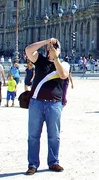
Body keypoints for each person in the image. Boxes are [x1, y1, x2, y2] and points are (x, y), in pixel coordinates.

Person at [24, 38, 70, 175]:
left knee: (54, 135)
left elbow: (63, 75)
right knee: (33, 136)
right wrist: (46, 42)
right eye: (52, 47)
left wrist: (55, 57)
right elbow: (28, 50)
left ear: (60, 50)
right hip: (36, 103)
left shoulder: (64, 64)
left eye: (56, 47)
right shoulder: (40, 60)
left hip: (54, 104)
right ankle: (33, 164)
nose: (54, 48)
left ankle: (53, 162)